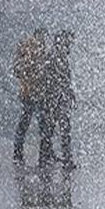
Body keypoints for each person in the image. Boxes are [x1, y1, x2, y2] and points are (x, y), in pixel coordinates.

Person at [12, 27, 52, 165]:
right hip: (33, 93)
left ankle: (21, 153)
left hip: (31, 93)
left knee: (27, 123)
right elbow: (19, 70)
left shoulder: (33, 50)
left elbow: (17, 70)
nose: (44, 41)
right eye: (43, 37)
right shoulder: (32, 50)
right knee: (39, 125)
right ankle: (42, 155)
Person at [42, 30, 76, 170]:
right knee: (62, 130)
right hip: (56, 100)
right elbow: (52, 79)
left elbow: (61, 80)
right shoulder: (56, 57)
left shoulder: (55, 56)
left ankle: (47, 156)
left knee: (52, 129)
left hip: (56, 99)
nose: (69, 46)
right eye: (68, 43)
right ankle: (62, 159)